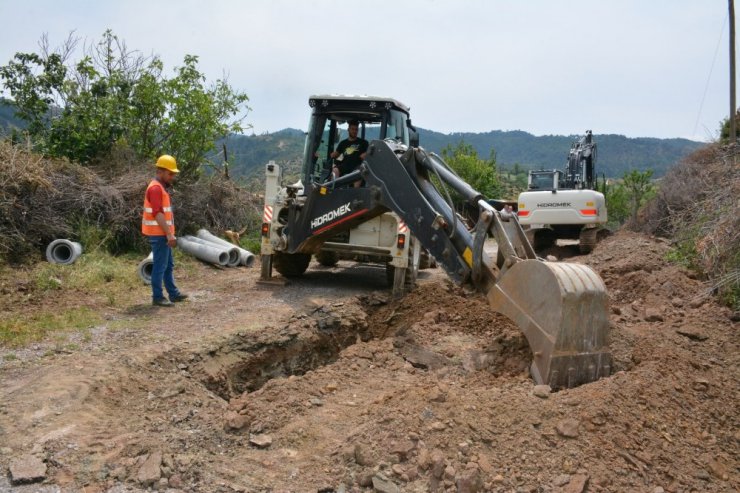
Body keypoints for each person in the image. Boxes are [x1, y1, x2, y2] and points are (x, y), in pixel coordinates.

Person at [142, 155, 188, 307]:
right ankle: (158, 297)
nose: (172, 177)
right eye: (170, 173)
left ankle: (173, 294)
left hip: (162, 233)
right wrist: (169, 234)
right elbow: (158, 213)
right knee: (160, 266)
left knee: (167, 265)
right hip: (159, 234)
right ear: (160, 171)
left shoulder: (160, 187)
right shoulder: (155, 188)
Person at [331, 120, 368, 187]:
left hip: (357, 166)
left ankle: (355, 193)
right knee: (335, 170)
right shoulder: (343, 143)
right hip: (345, 165)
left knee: (358, 173)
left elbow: (367, 154)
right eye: (352, 129)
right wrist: (333, 155)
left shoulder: (363, 143)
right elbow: (337, 154)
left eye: (356, 129)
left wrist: (366, 154)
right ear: (348, 129)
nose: (354, 131)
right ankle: (334, 190)